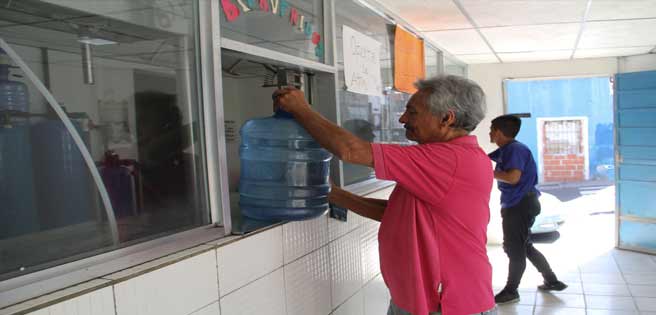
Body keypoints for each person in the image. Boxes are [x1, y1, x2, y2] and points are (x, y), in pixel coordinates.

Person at [274, 75, 496, 315]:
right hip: (418, 299)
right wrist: (334, 194)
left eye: (412, 113)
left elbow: (350, 150)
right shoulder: (448, 158)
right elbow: (397, 215)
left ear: (446, 118)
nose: (402, 119)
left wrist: (300, 109)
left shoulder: (450, 160)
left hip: (448, 304)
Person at [488, 115, 568, 304]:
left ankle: (511, 290)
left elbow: (513, 177)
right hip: (520, 203)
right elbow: (479, 159)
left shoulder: (515, 149)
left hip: (519, 204)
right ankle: (552, 280)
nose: (489, 133)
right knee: (525, 245)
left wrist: (489, 173)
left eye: (491, 130)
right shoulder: (505, 150)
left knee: (514, 248)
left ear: (498, 132)